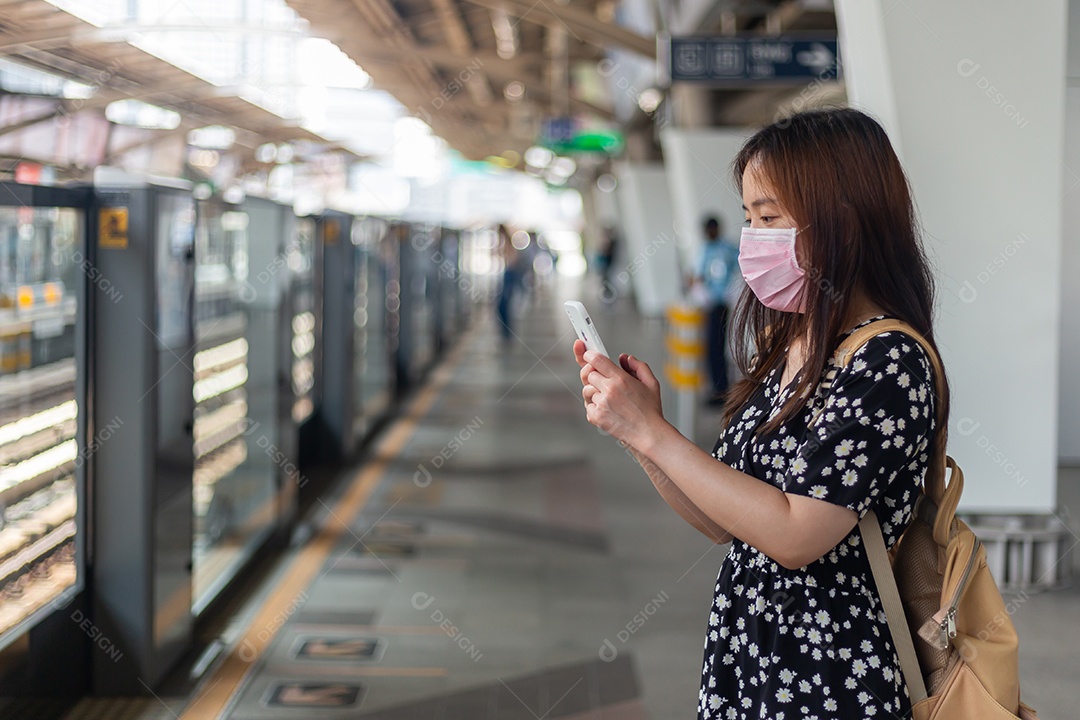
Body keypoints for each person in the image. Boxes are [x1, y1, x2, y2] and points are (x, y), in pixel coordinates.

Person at [573, 108, 949, 718]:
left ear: (844, 224)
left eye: (770, 218)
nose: (755, 237)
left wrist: (658, 435)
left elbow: (796, 534)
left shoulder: (887, 361)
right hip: (751, 657)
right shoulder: (795, 342)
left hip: (828, 679)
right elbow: (724, 520)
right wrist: (636, 431)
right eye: (750, 218)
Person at [691, 216, 740, 404]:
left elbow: (739, 273)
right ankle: (717, 387)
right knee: (711, 349)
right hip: (708, 304)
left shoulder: (726, 250)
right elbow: (698, 275)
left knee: (716, 348)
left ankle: (721, 390)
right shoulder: (705, 249)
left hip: (720, 304)